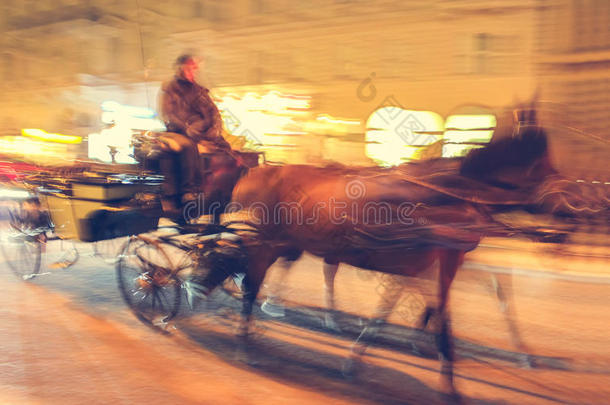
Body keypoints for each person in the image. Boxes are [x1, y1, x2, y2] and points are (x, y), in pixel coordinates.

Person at [158, 53, 232, 211]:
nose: (194, 71)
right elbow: (169, 115)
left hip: (202, 133)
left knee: (226, 150)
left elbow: (214, 113)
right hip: (179, 132)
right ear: (181, 68)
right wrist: (188, 129)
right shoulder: (170, 88)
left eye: (195, 68)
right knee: (189, 147)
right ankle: (189, 191)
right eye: (190, 68)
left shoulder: (199, 91)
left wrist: (213, 131)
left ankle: (220, 193)